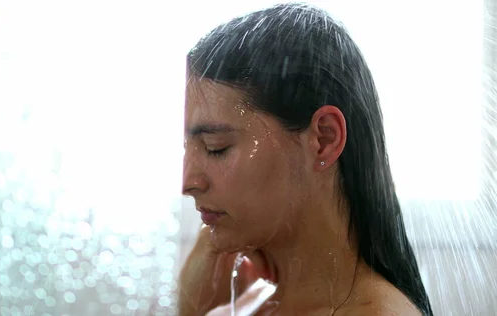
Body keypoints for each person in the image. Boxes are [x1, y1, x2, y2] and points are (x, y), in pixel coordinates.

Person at [178, 3, 434, 316]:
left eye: (215, 147)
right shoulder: (253, 303)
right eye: (187, 148)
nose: (189, 182)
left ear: (324, 140)